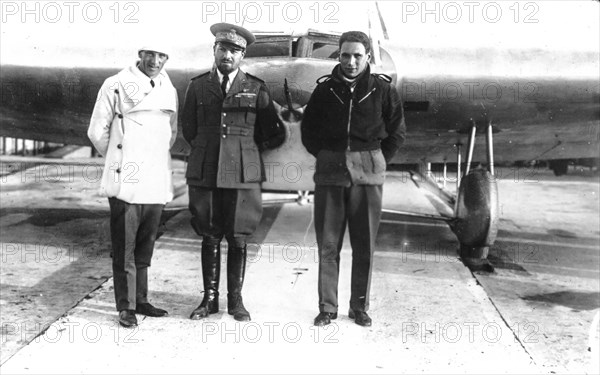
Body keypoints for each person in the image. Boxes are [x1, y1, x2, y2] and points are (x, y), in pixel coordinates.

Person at [301, 31, 406, 327]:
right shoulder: (324, 91)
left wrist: (376, 158)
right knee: (328, 244)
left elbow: (397, 133)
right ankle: (327, 307)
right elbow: (309, 132)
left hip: (367, 173)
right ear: (338, 55)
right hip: (330, 172)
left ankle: (359, 307)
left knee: (364, 244)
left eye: (357, 55)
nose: (350, 61)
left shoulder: (383, 91)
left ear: (368, 57)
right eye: (345, 55)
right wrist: (326, 155)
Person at [182, 23, 285, 322]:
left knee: (239, 236)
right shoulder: (198, 86)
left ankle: (235, 301)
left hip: (243, 171)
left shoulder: (256, 87)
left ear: (243, 56)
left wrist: (248, 151)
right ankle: (209, 300)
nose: (228, 55)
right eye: (223, 49)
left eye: (235, 51)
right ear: (214, 50)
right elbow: (190, 128)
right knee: (210, 233)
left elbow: (275, 132)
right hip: (207, 169)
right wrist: (209, 149)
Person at [88, 45, 178, 328]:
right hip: (126, 178)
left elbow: (171, 132)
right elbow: (96, 131)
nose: (155, 61)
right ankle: (125, 306)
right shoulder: (114, 84)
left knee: (145, 245)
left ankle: (141, 300)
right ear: (140, 54)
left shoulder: (168, 88)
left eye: (162, 56)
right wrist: (119, 157)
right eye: (150, 54)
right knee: (124, 247)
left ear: (167, 58)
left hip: (154, 178)